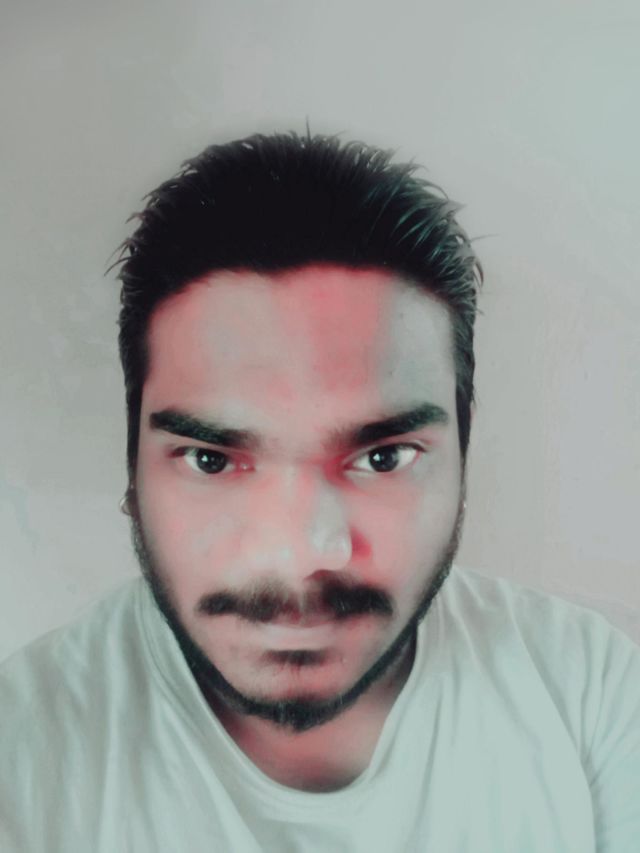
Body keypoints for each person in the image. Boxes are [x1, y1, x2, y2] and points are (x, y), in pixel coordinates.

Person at [1, 130, 638, 852]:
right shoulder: (22, 754)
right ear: (133, 470)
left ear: (464, 459)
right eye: (211, 460)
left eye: (382, 458)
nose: (300, 554)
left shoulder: (589, 691)